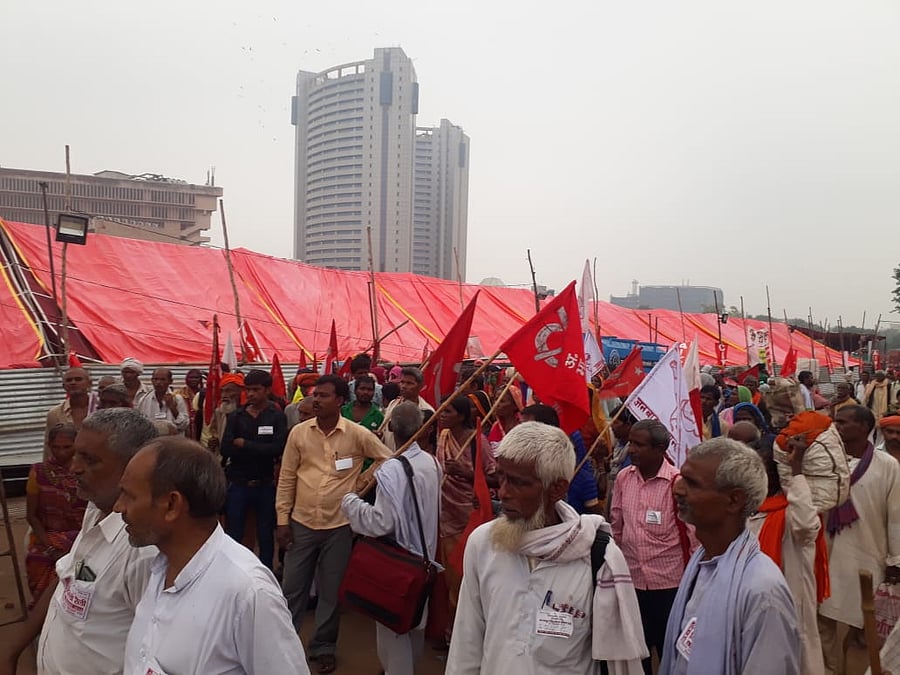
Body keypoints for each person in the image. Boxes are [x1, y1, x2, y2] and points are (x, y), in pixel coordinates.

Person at [446, 422, 647, 674]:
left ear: (557, 489)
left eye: (519, 482)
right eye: (501, 477)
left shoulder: (598, 557)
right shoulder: (484, 543)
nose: (504, 492)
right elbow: (467, 643)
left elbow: (619, 663)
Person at [116, 436, 309, 675]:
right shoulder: (158, 568)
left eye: (129, 496)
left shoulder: (248, 593)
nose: (118, 507)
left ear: (171, 505)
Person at [0, 409, 160, 675]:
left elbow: (152, 654)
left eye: (89, 459)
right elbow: (70, 575)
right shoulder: (96, 508)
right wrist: (12, 650)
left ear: (133, 466)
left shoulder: (143, 551)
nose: (74, 467)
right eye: (76, 454)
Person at [276, 375, 392, 674]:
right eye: (315, 395)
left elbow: (387, 459)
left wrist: (363, 482)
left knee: (331, 591)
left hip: (339, 526)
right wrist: (281, 520)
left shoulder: (356, 434)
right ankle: (281, 647)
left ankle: (323, 648)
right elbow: (287, 477)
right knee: (292, 589)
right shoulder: (299, 434)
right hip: (301, 522)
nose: (316, 400)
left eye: (324, 396)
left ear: (341, 400)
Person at [659, 437, 800, 675]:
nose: (678, 489)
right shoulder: (701, 564)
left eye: (692, 483)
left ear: (734, 500)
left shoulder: (762, 591)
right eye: (682, 478)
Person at [342, 402, 441, 675]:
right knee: (415, 622)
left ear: (391, 428)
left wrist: (352, 504)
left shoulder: (391, 470)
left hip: (397, 561)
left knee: (393, 627)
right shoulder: (432, 462)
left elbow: (381, 522)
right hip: (425, 556)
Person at [819, 405, 900, 675]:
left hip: (867, 560)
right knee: (823, 632)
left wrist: (895, 560)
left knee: (862, 637)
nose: (836, 427)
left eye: (843, 422)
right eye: (835, 422)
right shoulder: (821, 461)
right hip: (825, 559)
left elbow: (896, 516)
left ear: (865, 428)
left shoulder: (887, 466)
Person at [611, 419, 694, 674]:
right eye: (630, 443)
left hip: (669, 587)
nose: (631, 450)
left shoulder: (677, 484)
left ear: (660, 449)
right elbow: (616, 525)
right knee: (637, 651)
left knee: (671, 651)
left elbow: (694, 537)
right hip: (632, 585)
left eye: (639, 444)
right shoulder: (624, 478)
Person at [747, 435, 826, 675]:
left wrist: (796, 471)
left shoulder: (792, 509)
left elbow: (806, 527)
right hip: (753, 603)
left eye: (763, 469)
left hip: (790, 602)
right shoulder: (745, 510)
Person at [436, 396, 496, 636]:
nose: (441, 415)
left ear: (461, 416)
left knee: (463, 579)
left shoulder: (477, 441)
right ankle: (451, 631)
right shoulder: (442, 437)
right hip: (443, 517)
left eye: (447, 411)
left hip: (468, 518)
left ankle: (466, 635)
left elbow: (494, 478)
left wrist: (466, 473)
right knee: (448, 580)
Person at [220, 368, 287, 570]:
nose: (250, 394)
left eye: (255, 389)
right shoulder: (236, 416)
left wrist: (245, 444)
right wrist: (258, 448)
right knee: (233, 533)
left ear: (267, 390)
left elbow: (277, 448)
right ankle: (230, 572)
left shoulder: (276, 416)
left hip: (264, 485)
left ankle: (264, 573)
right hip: (239, 483)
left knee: (266, 534)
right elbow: (226, 448)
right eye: (248, 389)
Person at [25, 424, 87, 604]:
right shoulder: (38, 472)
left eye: (67, 447)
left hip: (82, 540)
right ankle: (45, 611)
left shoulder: (87, 472)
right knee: (37, 562)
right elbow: (32, 516)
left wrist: (75, 547)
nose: (61, 452)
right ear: (49, 446)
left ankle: (74, 608)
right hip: (49, 537)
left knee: (86, 576)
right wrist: (51, 548)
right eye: (56, 447)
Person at [520, 403, 601, 515]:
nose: (520, 432)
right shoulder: (520, 466)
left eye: (528, 428)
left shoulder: (581, 479)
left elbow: (596, 518)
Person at [44, 367, 98, 460]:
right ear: (64, 386)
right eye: (69, 380)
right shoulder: (55, 414)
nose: (73, 383)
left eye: (78, 379)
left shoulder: (101, 409)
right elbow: (49, 448)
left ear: (89, 383)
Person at [382, 367, 435, 450]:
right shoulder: (393, 404)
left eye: (409, 383)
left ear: (420, 386)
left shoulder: (426, 411)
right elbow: (385, 432)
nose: (403, 386)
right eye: (402, 382)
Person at [136, 368, 189, 435]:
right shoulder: (144, 400)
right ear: (152, 381)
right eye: (155, 379)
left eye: (162, 379)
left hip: (173, 441)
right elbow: (140, 425)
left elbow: (184, 425)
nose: (158, 382)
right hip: (152, 441)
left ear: (170, 381)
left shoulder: (177, 399)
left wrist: (173, 409)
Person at [606, 406, 637, 515]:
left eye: (616, 422)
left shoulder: (634, 454)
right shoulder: (618, 447)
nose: (611, 426)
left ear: (628, 426)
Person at [487, 386, 523, 450]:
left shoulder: (523, 426)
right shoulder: (495, 427)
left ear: (515, 405)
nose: (496, 404)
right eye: (496, 399)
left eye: (502, 401)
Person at [175, 368, 203, 440]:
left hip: (201, 425)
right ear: (187, 379)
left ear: (200, 379)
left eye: (196, 377)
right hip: (185, 425)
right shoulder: (178, 394)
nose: (193, 379)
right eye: (191, 377)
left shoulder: (204, 393)